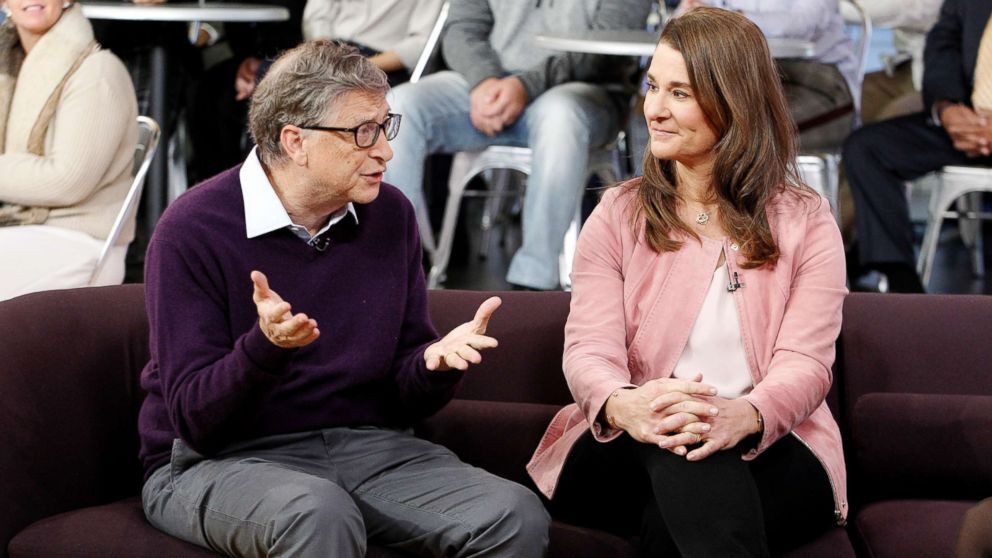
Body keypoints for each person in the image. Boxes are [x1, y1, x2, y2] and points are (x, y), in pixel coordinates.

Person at [138, 40, 549, 557]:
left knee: (512, 515)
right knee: (316, 512)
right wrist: (265, 349)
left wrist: (432, 364)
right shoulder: (193, 229)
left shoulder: (391, 215)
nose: (385, 150)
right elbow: (198, 422)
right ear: (294, 141)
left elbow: (401, 395)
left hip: (367, 446)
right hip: (218, 459)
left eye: (384, 126)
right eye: (362, 133)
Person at [526, 8, 848, 557]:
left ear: (734, 103)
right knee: (685, 459)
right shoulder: (618, 213)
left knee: (682, 502)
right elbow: (588, 349)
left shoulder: (806, 219)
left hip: (772, 437)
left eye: (681, 93)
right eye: (653, 87)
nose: (654, 109)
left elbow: (807, 363)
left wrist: (745, 415)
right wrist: (628, 405)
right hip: (627, 434)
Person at [384, 0, 652, 291]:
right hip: (488, 83)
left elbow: (605, 49)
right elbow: (462, 27)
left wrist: (525, 86)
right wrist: (483, 80)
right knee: (401, 105)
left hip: (584, 90)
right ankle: (398, 264)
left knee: (561, 116)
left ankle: (534, 281)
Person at [843, 0, 992, 293]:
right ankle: (901, 282)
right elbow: (943, 44)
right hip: (970, 123)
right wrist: (946, 109)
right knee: (867, 148)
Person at [0, 0, 138, 300]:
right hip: (17, 229)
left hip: (81, 241)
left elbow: (66, 181)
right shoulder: (7, 65)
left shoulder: (98, 71)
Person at [677, 0, 858, 151]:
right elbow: (683, 18)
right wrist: (693, 13)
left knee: (740, 132)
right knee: (685, 124)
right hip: (745, 77)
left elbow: (801, 23)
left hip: (817, 80)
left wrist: (729, 17)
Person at [859, 0, 942, 123]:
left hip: (937, 85)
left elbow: (892, 8)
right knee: (842, 99)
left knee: (882, 131)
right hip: (904, 71)